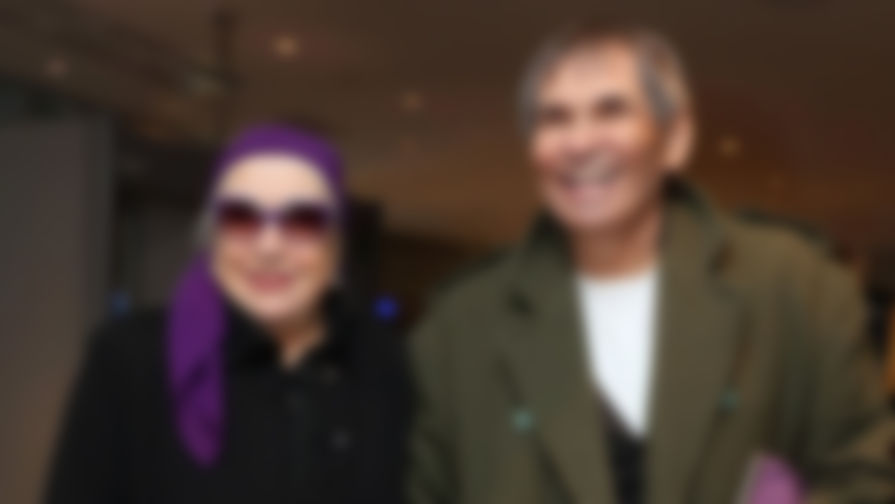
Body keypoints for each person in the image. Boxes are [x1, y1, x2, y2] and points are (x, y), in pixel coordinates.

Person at [407, 22, 895, 504]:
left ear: (676, 139)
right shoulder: (460, 327)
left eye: (611, 111)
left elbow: (867, 474)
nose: (579, 142)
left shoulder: (794, 289)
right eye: (554, 119)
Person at [46, 125, 409, 503]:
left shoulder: (380, 360)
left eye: (303, 219)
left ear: (336, 241)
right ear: (211, 235)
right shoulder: (132, 359)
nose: (269, 246)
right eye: (241, 216)